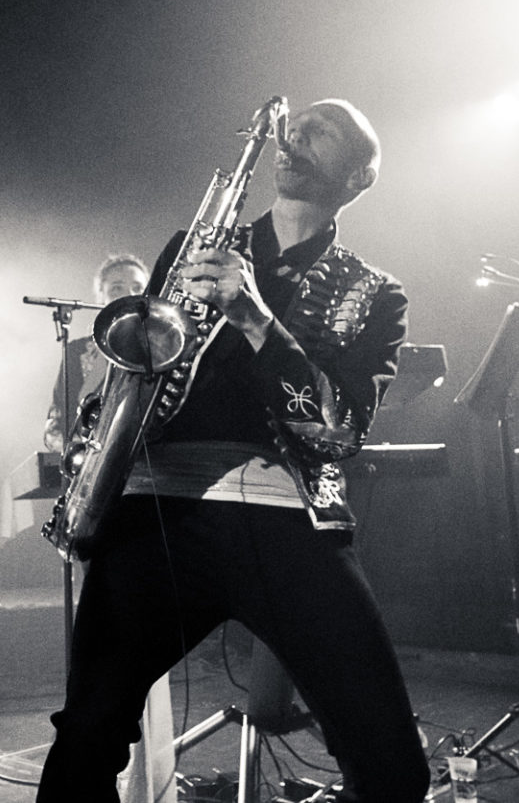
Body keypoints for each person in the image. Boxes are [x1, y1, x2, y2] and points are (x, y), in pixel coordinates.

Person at [36, 100, 430, 802]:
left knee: (392, 763)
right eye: (295, 127)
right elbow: (136, 368)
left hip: (289, 520)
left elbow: (340, 428)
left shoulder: (377, 293)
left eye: (322, 130)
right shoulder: (194, 245)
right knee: (87, 736)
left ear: (359, 176)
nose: (295, 135)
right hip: (159, 509)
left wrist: (253, 317)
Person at [40, 252, 149, 453]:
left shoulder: (162, 348)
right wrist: (78, 454)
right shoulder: (77, 351)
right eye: (117, 288)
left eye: (137, 288)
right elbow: (55, 425)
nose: (129, 294)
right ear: (101, 296)